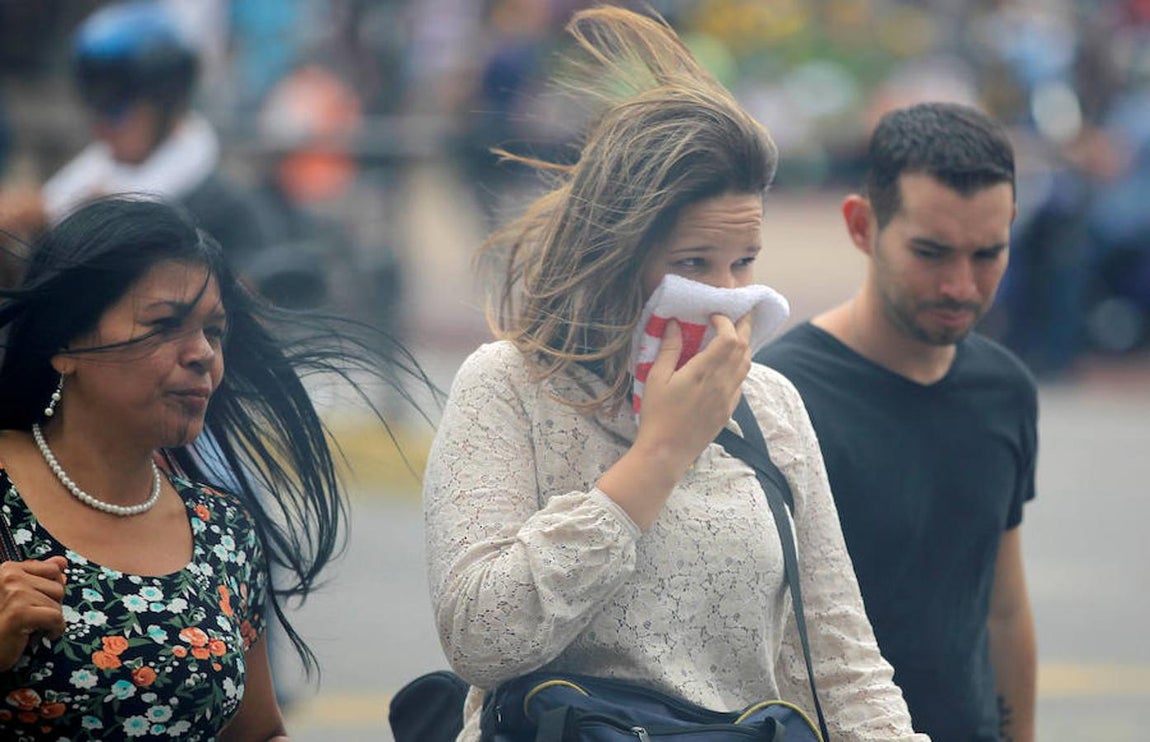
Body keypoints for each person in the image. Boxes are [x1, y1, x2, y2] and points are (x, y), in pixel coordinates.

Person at [424, 7, 927, 741]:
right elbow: (480, 636)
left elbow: (843, 666)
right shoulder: (508, 386)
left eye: (744, 262)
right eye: (693, 264)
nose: (726, 299)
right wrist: (657, 456)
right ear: (614, 255)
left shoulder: (769, 403)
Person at [0, 196, 426, 739]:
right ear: (67, 343)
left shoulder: (223, 530)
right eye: (165, 323)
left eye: (215, 332)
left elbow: (256, 733)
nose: (202, 353)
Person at [756, 102, 1038, 741]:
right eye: (931, 253)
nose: (961, 286)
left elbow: (1003, 609)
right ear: (861, 225)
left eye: (987, 254)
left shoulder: (1005, 391)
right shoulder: (780, 396)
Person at [0, 1, 269, 283]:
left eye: (116, 109)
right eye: (93, 106)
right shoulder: (74, 190)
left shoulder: (228, 211)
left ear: (168, 103)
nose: (101, 125)